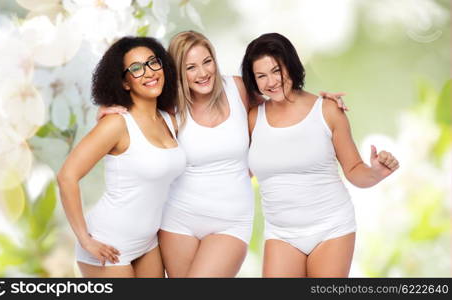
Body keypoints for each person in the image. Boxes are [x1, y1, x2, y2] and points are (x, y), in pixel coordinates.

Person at [97, 30, 347, 278]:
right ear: (178, 72)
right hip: (178, 219)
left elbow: (280, 100)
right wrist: (108, 110)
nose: (203, 73)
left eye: (207, 62)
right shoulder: (170, 105)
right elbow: (136, 123)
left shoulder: (237, 89)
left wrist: (320, 102)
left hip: (231, 221)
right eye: (190, 67)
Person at [242, 33, 399, 277]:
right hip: (281, 234)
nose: (271, 81)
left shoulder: (327, 110)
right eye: (261, 76)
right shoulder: (252, 119)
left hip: (331, 228)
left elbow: (355, 171)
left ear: (291, 66)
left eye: (276, 70)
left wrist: (377, 172)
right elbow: (239, 174)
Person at [57, 36, 186, 278]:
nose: (149, 72)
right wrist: (85, 239)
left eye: (152, 63)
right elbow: (67, 177)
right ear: (125, 83)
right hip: (109, 245)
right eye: (136, 68)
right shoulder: (116, 123)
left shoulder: (169, 119)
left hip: (148, 243)